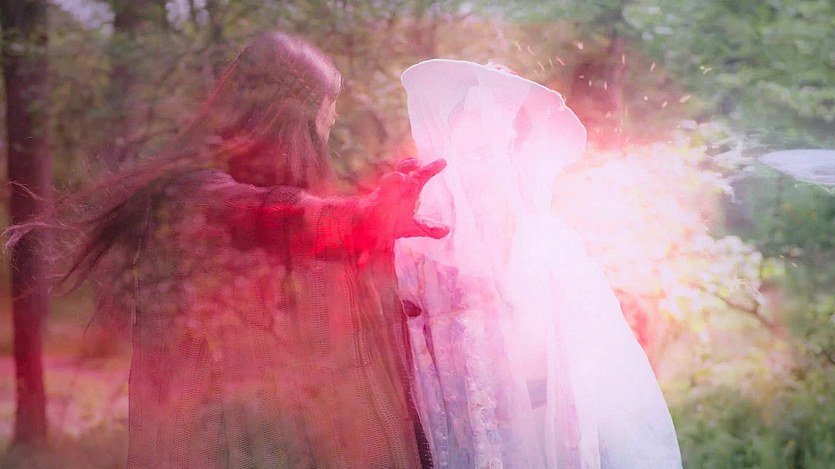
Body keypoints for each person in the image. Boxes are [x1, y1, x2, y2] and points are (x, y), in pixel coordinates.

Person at [17, 31, 445, 468]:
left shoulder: (270, 199)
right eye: (327, 101)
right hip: (218, 438)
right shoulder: (193, 195)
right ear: (288, 114)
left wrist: (402, 296)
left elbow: (315, 289)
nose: (333, 115)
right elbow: (275, 218)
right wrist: (367, 217)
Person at [395, 59, 682, 468]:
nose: (477, 169)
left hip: (552, 439)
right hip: (468, 446)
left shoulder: (553, 246)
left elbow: (597, 370)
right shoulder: (419, 250)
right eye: (466, 151)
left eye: (488, 151)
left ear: (514, 154)